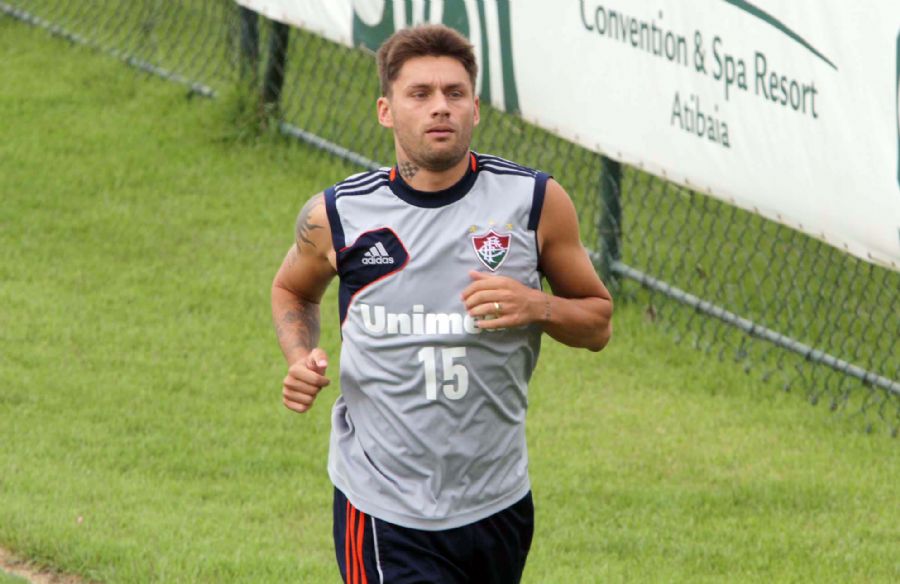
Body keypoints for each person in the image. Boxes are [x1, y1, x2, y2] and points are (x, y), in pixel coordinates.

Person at [271, 23, 613, 584]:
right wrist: (298, 354)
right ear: (386, 109)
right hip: (382, 506)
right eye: (420, 94)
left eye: (454, 94)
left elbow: (598, 321)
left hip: (496, 501)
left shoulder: (532, 202)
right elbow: (292, 289)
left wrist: (537, 306)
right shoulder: (337, 215)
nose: (440, 108)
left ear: (475, 108)